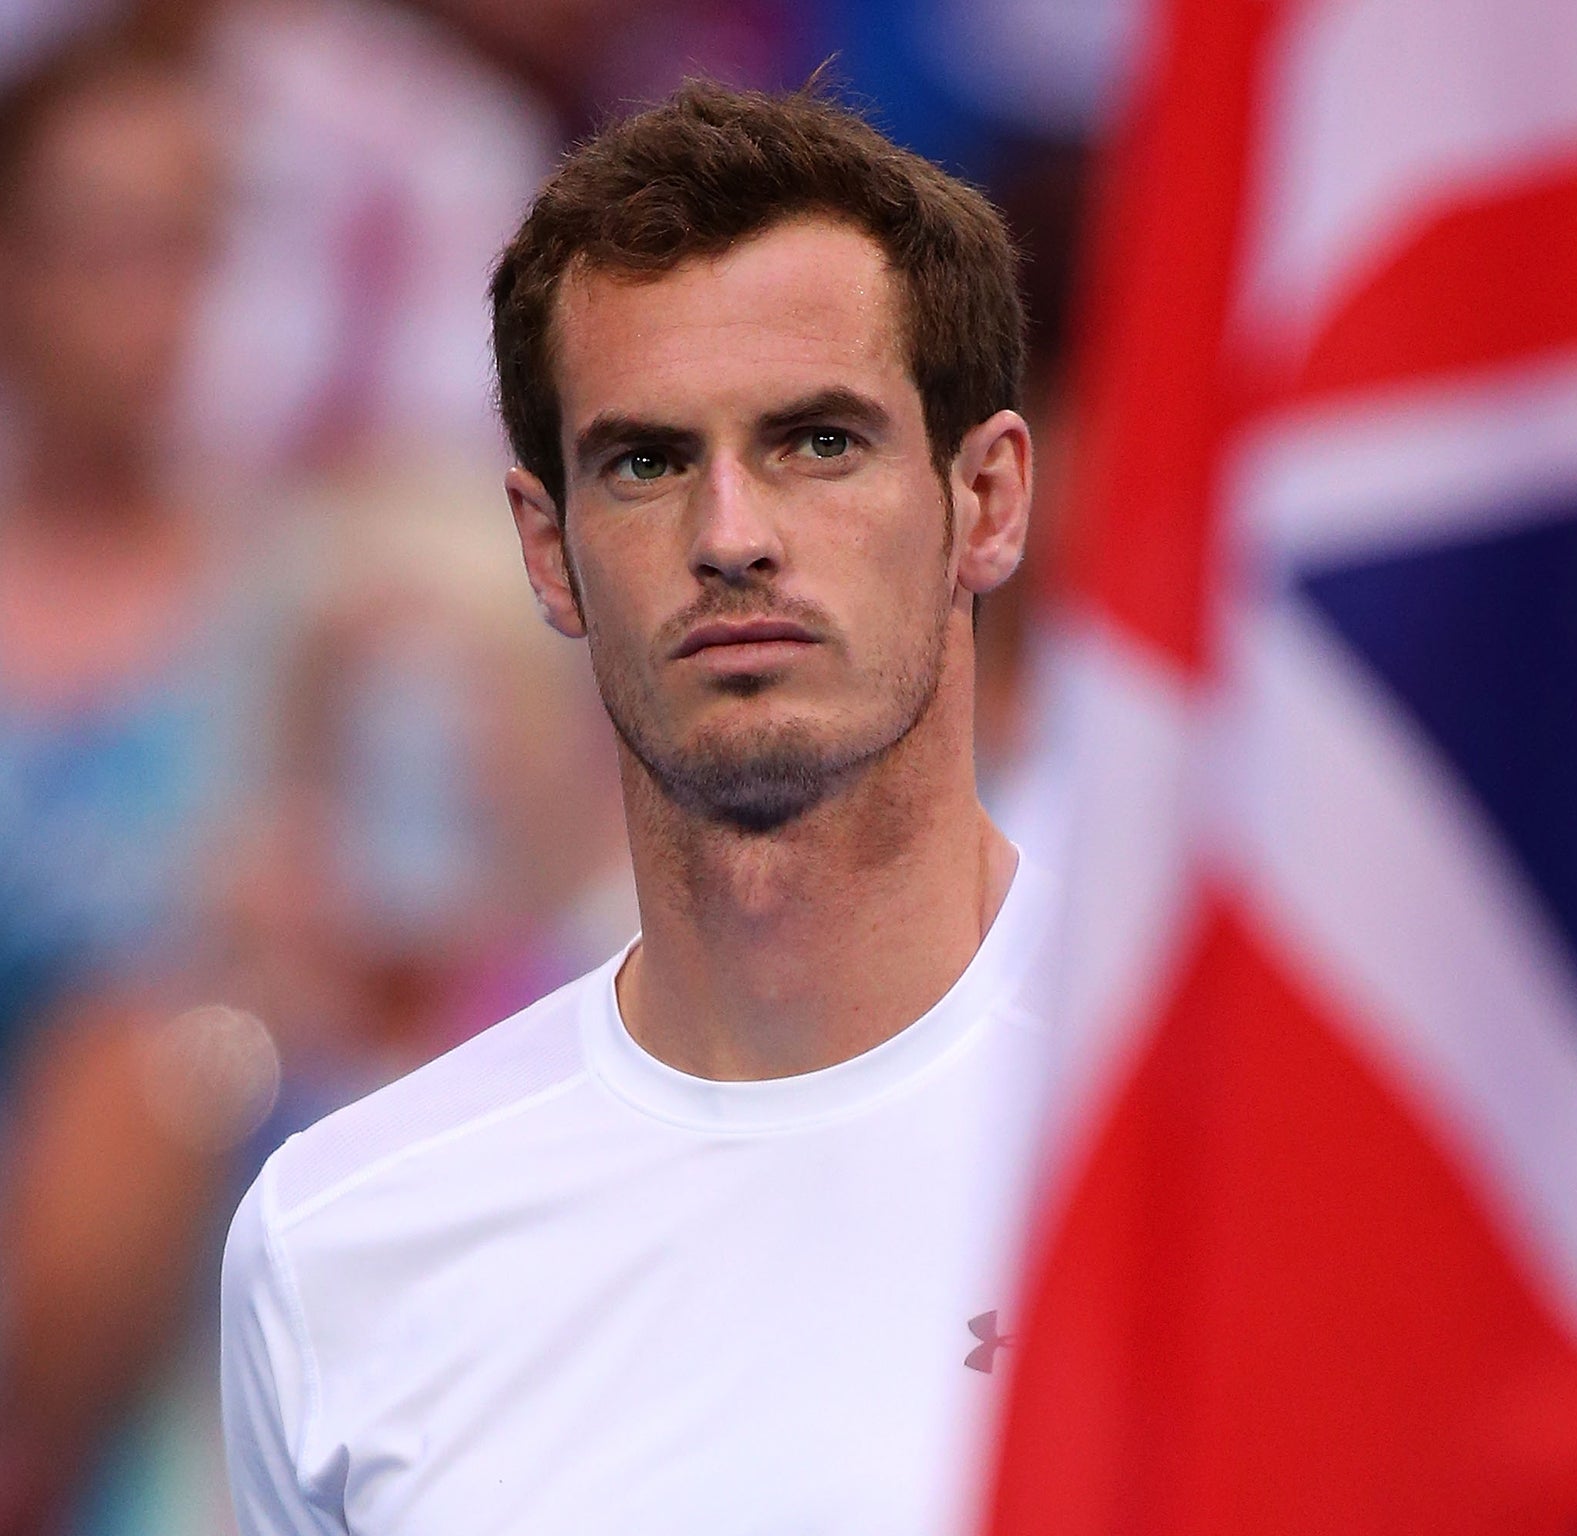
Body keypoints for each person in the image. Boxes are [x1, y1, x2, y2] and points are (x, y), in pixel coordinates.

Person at [220, 78, 1043, 1534]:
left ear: (984, 499)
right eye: (649, 463)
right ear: (547, 549)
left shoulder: (1240, 1127)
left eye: (819, 442)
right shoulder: (347, 1238)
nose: (731, 537)